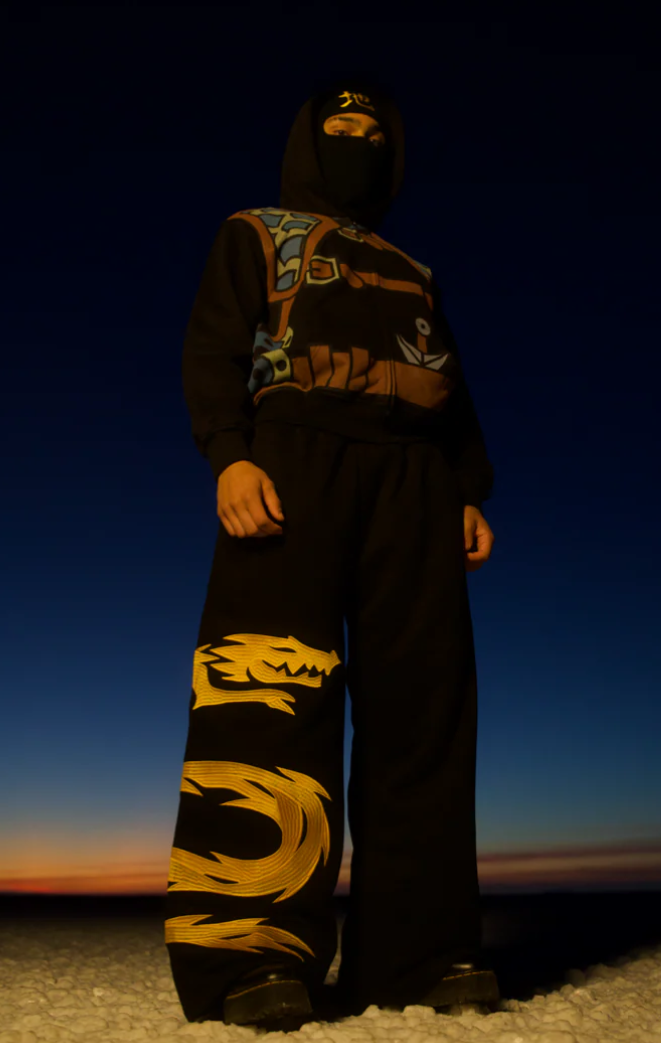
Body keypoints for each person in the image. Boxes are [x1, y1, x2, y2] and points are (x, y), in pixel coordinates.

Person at [163, 76, 498, 1029]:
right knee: (267, 686)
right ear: (309, 145)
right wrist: (230, 455)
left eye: (373, 132)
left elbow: (451, 386)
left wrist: (466, 490)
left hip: (415, 484)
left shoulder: (414, 269)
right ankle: (250, 961)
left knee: (423, 709)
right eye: (341, 127)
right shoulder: (256, 232)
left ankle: (419, 954)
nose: (358, 141)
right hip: (291, 463)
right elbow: (214, 348)